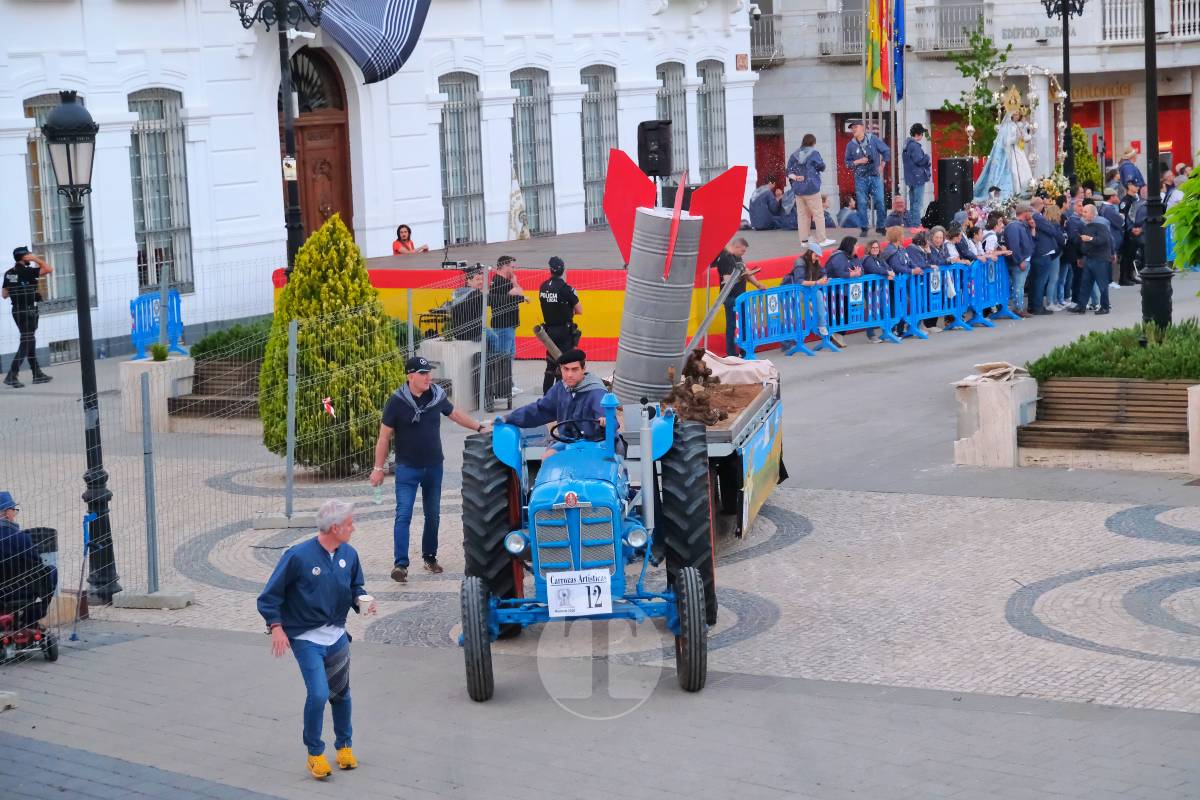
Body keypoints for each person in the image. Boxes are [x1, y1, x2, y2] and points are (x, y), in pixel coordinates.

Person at [257, 499, 376, 780]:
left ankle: (344, 746)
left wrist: (362, 599)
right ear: (335, 528)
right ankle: (315, 753)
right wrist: (276, 626)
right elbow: (269, 597)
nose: (353, 528)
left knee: (341, 694)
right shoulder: (298, 556)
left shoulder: (349, 554)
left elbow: (356, 586)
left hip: (337, 636)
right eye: (349, 524)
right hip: (306, 638)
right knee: (319, 694)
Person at [371, 356, 491, 582]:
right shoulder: (396, 402)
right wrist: (378, 468)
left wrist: (479, 427)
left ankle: (430, 557)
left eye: (429, 373)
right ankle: (401, 565)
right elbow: (384, 437)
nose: (429, 377)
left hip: (434, 467)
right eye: (423, 374)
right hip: (407, 469)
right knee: (403, 515)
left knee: (433, 515)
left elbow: (455, 414)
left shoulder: (437, 396)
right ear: (410, 376)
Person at [503, 348, 609, 455]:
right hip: (567, 441)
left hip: (596, 443)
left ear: (583, 369)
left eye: (574, 369)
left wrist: (605, 420)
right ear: (560, 369)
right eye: (566, 369)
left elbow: (606, 415)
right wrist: (509, 418)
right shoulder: (560, 389)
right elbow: (540, 410)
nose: (569, 375)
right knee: (548, 457)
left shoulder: (596, 391)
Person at [0, 491, 57, 628]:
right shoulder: (23, 539)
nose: (15, 513)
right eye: (14, 510)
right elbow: (37, 564)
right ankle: (31, 618)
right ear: (7, 513)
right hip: (23, 590)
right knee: (51, 571)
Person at [4, 247, 53, 388]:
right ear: (24, 258)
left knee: (29, 339)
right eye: (28, 255)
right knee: (27, 341)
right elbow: (49, 269)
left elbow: (4, 294)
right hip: (29, 311)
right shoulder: (28, 271)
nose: (31, 256)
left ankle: (37, 374)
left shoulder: (9, 273)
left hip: (17, 311)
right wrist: (36, 260)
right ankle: (12, 375)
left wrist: (18, 288)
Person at [538, 256, 582, 394]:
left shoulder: (543, 287)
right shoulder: (566, 289)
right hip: (564, 331)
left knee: (550, 366)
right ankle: (561, 395)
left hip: (549, 331)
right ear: (563, 270)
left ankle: (546, 397)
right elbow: (580, 310)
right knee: (565, 364)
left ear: (550, 270)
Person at [714, 238, 764, 358]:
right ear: (736, 247)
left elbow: (745, 270)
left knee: (744, 323)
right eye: (742, 251)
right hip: (730, 296)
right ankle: (731, 353)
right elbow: (726, 280)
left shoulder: (737, 257)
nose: (743, 253)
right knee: (731, 325)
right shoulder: (725, 258)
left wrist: (758, 284)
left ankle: (745, 350)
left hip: (740, 295)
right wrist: (741, 276)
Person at [843, 120, 891, 236]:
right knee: (862, 203)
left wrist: (883, 165)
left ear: (863, 128)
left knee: (880, 201)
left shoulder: (872, 139)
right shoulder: (850, 145)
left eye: (855, 127)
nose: (853, 129)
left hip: (874, 177)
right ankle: (864, 228)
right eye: (852, 128)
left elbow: (886, 151)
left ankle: (881, 226)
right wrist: (858, 161)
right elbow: (847, 164)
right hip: (860, 178)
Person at [786, 134, 835, 247]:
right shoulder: (814, 153)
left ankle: (804, 240)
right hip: (811, 188)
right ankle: (822, 239)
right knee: (818, 214)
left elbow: (788, 170)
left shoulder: (795, 154)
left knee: (802, 215)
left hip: (798, 189)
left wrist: (795, 178)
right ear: (813, 142)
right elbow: (821, 166)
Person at [489, 255, 527, 393]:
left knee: (509, 355)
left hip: (509, 324)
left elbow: (520, 295)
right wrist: (514, 290)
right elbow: (519, 295)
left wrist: (515, 285)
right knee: (503, 357)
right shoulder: (498, 281)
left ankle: (509, 384)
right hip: (503, 325)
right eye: (512, 266)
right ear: (504, 266)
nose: (514, 268)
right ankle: (503, 386)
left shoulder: (506, 281)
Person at [1072, 203, 1113, 315]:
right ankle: (1081, 306)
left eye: (1085, 212)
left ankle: (1105, 306)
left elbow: (1103, 240)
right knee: (1085, 283)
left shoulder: (1101, 225)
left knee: (1102, 284)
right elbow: (1083, 243)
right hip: (1089, 258)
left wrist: (1089, 239)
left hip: (1100, 259)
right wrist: (1080, 254)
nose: (1083, 214)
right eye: (1083, 212)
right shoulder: (1086, 225)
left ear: (1093, 213)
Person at [1027, 197, 1066, 315]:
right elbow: (1051, 230)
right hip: (1042, 252)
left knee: (1035, 280)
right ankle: (1038, 306)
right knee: (1040, 280)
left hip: (1037, 252)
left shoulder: (1033, 216)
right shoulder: (1037, 216)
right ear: (1040, 204)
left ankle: (1032, 306)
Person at [1004, 204, 1035, 317]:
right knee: (1019, 286)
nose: (1031, 215)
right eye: (1030, 212)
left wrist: (1032, 228)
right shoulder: (1014, 226)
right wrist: (1019, 260)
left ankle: (1019, 307)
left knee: (1019, 286)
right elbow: (1014, 245)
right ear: (1025, 212)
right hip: (1020, 261)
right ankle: (1018, 308)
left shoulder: (1022, 225)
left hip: (1024, 259)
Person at [902, 123, 932, 226]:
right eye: (922, 133)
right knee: (917, 203)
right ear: (918, 134)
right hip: (918, 178)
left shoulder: (907, 145)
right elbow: (919, 160)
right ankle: (916, 224)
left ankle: (912, 224)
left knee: (913, 201)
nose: (923, 136)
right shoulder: (914, 146)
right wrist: (927, 158)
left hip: (911, 178)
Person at [1099, 188, 1125, 287]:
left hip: (1108, 236)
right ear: (1112, 197)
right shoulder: (1109, 209)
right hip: (1113, 236)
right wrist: (1121, 217)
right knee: (1113, 259)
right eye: (1115, 196)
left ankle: (1110, 280)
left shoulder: (1102, 207)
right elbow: (1120, 222)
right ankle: (1112, 281)